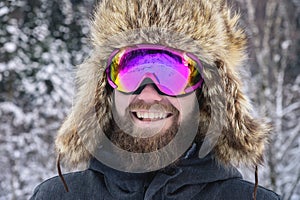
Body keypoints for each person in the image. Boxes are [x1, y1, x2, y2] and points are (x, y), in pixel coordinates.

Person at [31, 0, 281, 199]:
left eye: (171, 73)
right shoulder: (57, 196)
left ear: (204, 92)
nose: (148, 94)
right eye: (129, 71)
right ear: (104, 88)